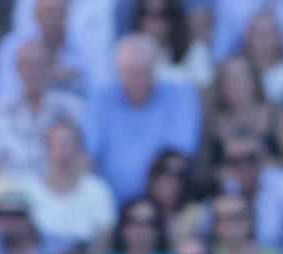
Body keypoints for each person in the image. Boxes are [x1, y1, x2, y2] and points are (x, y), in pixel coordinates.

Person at [85, 35, 201, 202]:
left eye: (143, 71)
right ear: (117, 71)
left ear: (155, 70)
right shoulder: (100, 97)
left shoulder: (180, 95)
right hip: (109, 202)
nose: (136, 79)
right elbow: (88, 154)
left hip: (164, 203)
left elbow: (179, 155)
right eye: (130, 71)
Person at [0, 40, 86, 179]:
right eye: (25, 65)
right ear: (17, 69)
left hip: (58, 187)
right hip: (13, 188)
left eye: (38, 64)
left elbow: (84, 158)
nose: (32, 71)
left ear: (50, 67)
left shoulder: (72, 108)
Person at [23, 120, 118, 250]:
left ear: (79, 149)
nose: (63, 149)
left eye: (69, 143)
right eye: (58, 143)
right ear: (46, 148)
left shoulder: (97, 190)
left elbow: (104, 236)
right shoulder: (29, 191)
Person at [202, 53, 283, 175]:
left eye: (238, 78)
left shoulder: (276, 117)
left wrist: (259, 167)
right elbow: (202, 170)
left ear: (253, 82)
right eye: (227, 79)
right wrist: (228, 173)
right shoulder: (212, 121)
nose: (233, 85)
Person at [133, 0, 212, 88]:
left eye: (163, 14)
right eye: (146, 13)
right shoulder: (129, 54)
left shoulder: (195, 51)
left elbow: (205, 91)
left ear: (173, 17)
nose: (154, 21)